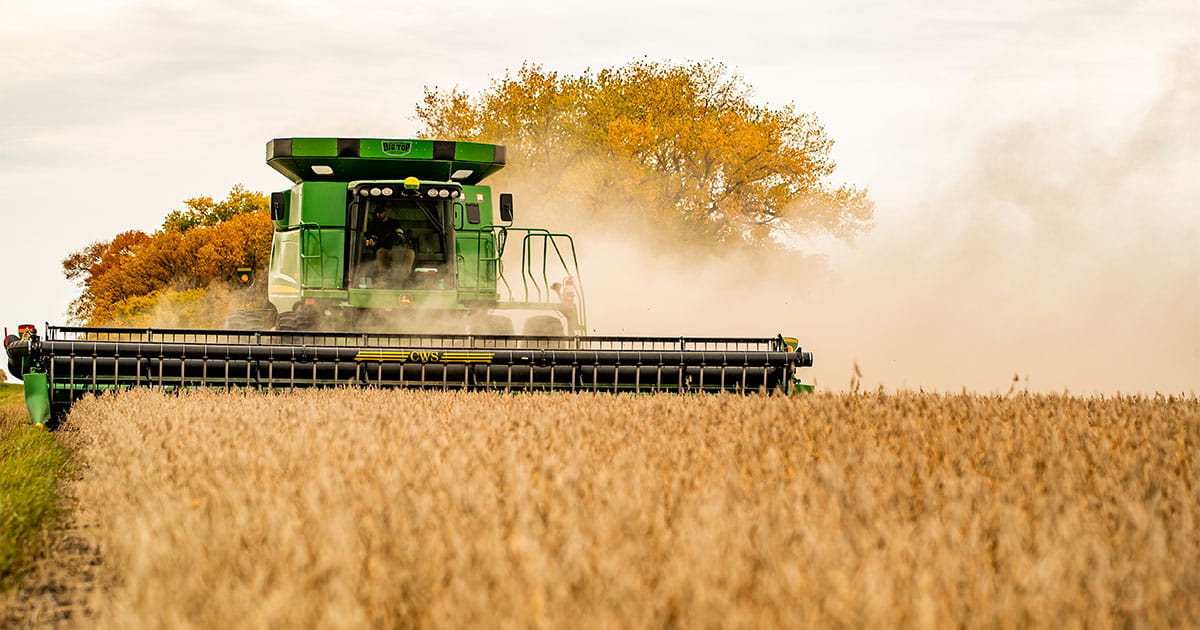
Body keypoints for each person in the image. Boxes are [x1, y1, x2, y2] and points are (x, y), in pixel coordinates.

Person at [366, 208, 414, 287]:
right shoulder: (374, 224)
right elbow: (369, 236)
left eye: (380, 212)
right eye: (377, 213)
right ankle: (383, 277)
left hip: (398, 248)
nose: (378, 215)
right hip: (384, 249)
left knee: (410, 253)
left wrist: (399, 234)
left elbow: (400, 232)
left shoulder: (394, 223)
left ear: (385, 212)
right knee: (380, 253)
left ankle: (404, 277)